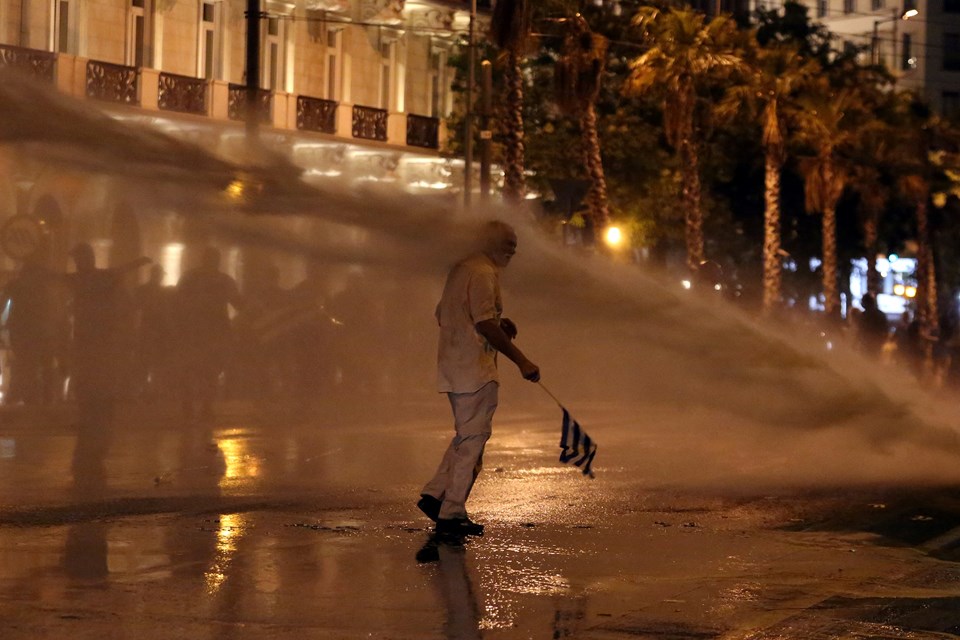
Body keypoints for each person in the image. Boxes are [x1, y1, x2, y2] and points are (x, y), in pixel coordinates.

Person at [418, 220, 540, 537]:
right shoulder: (484, 272)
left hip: (454, 366)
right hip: (475, 370)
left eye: (514, 244)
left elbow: (445, 313)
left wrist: (499, 324)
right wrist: (521, 360)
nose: (512, 250)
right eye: (507, 243)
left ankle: (435, 495)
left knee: (465, 436)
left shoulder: (462, 269)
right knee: (473, 441)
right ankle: (452, 513)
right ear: (487, 241)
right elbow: (484, 323)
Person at [67, 243, 150, 428]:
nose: (76, 263)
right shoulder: (96, 277)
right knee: (91, 376)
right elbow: (122, 270)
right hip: (93, 337)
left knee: (94, 375)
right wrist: (140, 261)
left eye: (77, 259)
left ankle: (94, 415)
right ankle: (94, 415)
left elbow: (121, 271)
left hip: (95, 338)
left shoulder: (86, 279)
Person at [175, 246, 242, 422]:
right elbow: (238, 303)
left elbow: (177, 302)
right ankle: (200, 407)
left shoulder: (190, 277)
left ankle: (193, 407)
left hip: (198, 331)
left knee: (198, 371)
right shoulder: (222, 280)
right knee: (205, 371)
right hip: (210, 331)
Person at [856, 293, 888, 358]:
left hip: (866, 344)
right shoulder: (881, 314)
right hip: (877, 344)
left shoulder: (863, 316)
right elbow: (885, 330)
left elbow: (860, 330)